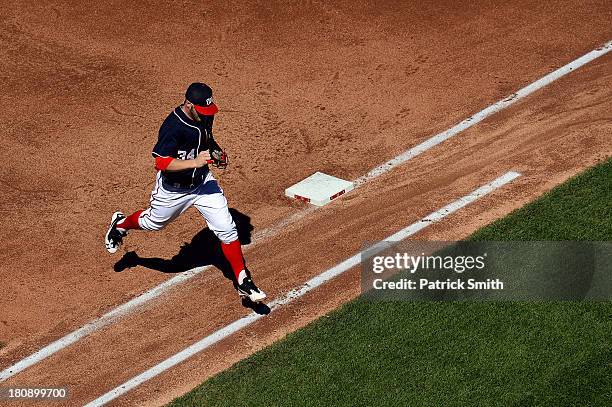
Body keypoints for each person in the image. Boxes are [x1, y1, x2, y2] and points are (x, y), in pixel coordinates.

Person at [104, 82, 266, 302]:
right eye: (202, 110)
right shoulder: (173, 126)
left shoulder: (204, 116)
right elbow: (162, 163)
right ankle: (120, 225)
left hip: (203, 184)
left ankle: (242, 280)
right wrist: (195, 161)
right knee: (154, 224)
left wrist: (216, 152)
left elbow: (206, 138)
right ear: (189, 105)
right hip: (174, 190)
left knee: (227, 229)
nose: (206, 115)